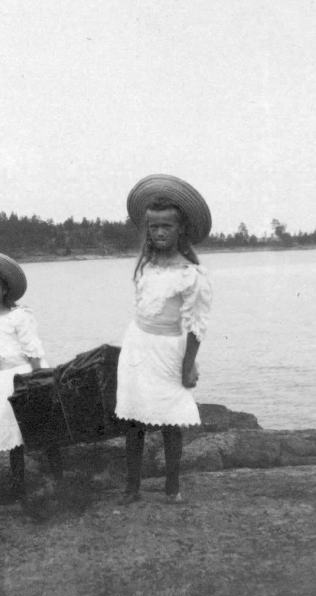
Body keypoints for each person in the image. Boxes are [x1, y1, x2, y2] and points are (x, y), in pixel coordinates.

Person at [116, 174, 212, 504]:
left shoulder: (191, 275)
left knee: (171, 420)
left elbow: (196, 327)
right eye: (154, 227)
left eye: (166, 227)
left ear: (180, 229)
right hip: (137, 347)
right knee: (133, 418)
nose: (159, 233)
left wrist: (188, 366)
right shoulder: (145, 266)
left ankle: (172, 487)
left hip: (169, 350)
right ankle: (132, 487)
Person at [0, 251, 63, 499]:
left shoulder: (19, 316)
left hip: (29, 375)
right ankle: (19, 490)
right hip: (5, 380)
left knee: (45, 432)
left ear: (4, 290)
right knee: (13, 438)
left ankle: (59, 484)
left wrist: (42, 383)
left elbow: (33, 352)